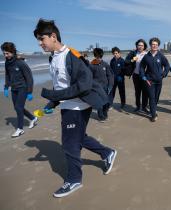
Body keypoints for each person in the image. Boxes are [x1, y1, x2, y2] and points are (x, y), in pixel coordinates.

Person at [33, 19, 117, 198]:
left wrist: (55, 97)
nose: (40, 43)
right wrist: (52, 103)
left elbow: (84, 85)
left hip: (79, 106)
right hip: (67, 105)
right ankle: (108, 153)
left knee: (70, 144)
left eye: (42, 39)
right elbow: (60, 85)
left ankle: (74, 179)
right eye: (38, 40)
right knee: (79, 137)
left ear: (53, 36)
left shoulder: (72, 55)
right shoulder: (53, 57)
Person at [1, 42, 38, 137]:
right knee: (18, 108)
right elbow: (7, 75)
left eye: (7, 53)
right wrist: (6, 87)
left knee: (18, 107)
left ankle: (20, 129)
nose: (5, 55)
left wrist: (29, 92)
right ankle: (33, 118)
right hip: (14, 89)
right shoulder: (7, 63)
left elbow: (29, 77)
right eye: (4, 53)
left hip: (23, 88)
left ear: (12, 52)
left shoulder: (20, 63)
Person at [139, 37, 170, 122]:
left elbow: (167, 65)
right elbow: (141, 67)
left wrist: (164, 74)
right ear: (150, 45)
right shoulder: (146, 56)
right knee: (152, 98)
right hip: (149, 80)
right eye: (153, 44)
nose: (154, 46)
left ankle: (153, 109)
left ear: (158, 46)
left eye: (156, 44)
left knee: (156, 98)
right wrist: (143, 76)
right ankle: (153, 115)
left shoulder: (161, 56)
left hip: (159, 80)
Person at [90, 47, 114, 122]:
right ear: (95, 56)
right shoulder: (91, 65)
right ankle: (101, 116)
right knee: (99, 102)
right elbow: (89, 77)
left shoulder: (105, 65)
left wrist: (110, 85)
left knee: (106, 102)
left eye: (100, 57)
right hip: (96, 88)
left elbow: (110, 75)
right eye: (97, 57)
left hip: (106, 86)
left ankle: (105, 113)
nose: (99, 58)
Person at [125, 39, 148, 113]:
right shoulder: (133, 53)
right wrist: (133, 59)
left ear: (144, 46)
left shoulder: (147, 54)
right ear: (137, 46)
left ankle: (144, 107)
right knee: (137, 92)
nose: (140, 46)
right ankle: (138, 106)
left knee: (145, 92)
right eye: (139, 45)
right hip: (136, 75)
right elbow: (126, 61)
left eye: (142, 45)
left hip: (145, 76)